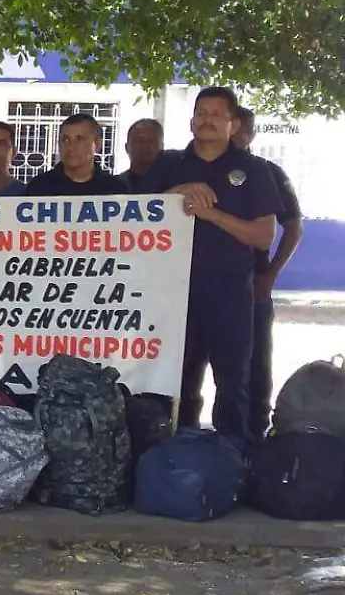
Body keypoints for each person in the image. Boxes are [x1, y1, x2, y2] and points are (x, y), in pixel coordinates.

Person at [140, 87, 281, 449]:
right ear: (191, 121)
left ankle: (234, 462)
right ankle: (172, 462)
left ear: (233, 124)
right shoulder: (168, 165)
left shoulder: (254, 170)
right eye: (200, 112)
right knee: (175, 384)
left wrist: (210, 213)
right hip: (174, 291)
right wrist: (179, 192)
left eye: (216, 114)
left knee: (233, 383)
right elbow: (138, 215)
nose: (206, 119)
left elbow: (264, 236)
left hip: (230, 292)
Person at [232, 106, 303, 438]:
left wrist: (271, 273)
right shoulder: (194, 170)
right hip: (198, 285)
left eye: (240, 128)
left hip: (251, 285)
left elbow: (293, 228)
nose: (233, 133)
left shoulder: (266, 172)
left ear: (250, 133)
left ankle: (255, 442)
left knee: (255, 368)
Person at [25, 114, 129, 196]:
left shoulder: (115, 189)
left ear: (97, 144)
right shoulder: (39, 187)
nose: (71, 146)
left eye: (79, 139)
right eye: (65, 140)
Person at [119, 118, 164, 191]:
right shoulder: (113, 186)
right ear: (127, 147)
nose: (145, 147)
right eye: (138, 142)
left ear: (161, 147)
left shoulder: (175, 186)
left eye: (151, 142)